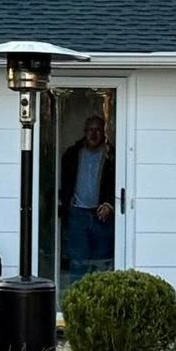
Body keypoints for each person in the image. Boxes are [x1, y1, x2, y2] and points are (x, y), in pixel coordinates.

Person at [57, 114, 117, 285]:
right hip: (78, 214)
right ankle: (77, 301)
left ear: (104, 133)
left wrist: (110, 204)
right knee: (78, 263)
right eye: (90, 130)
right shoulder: (72, 154)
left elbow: (120, 184)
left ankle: (99, 304)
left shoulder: (111, 156)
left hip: (101, 215)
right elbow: (61, 182)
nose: (94, 134)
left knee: (101, 264)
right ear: (84, 132)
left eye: (98, 130)